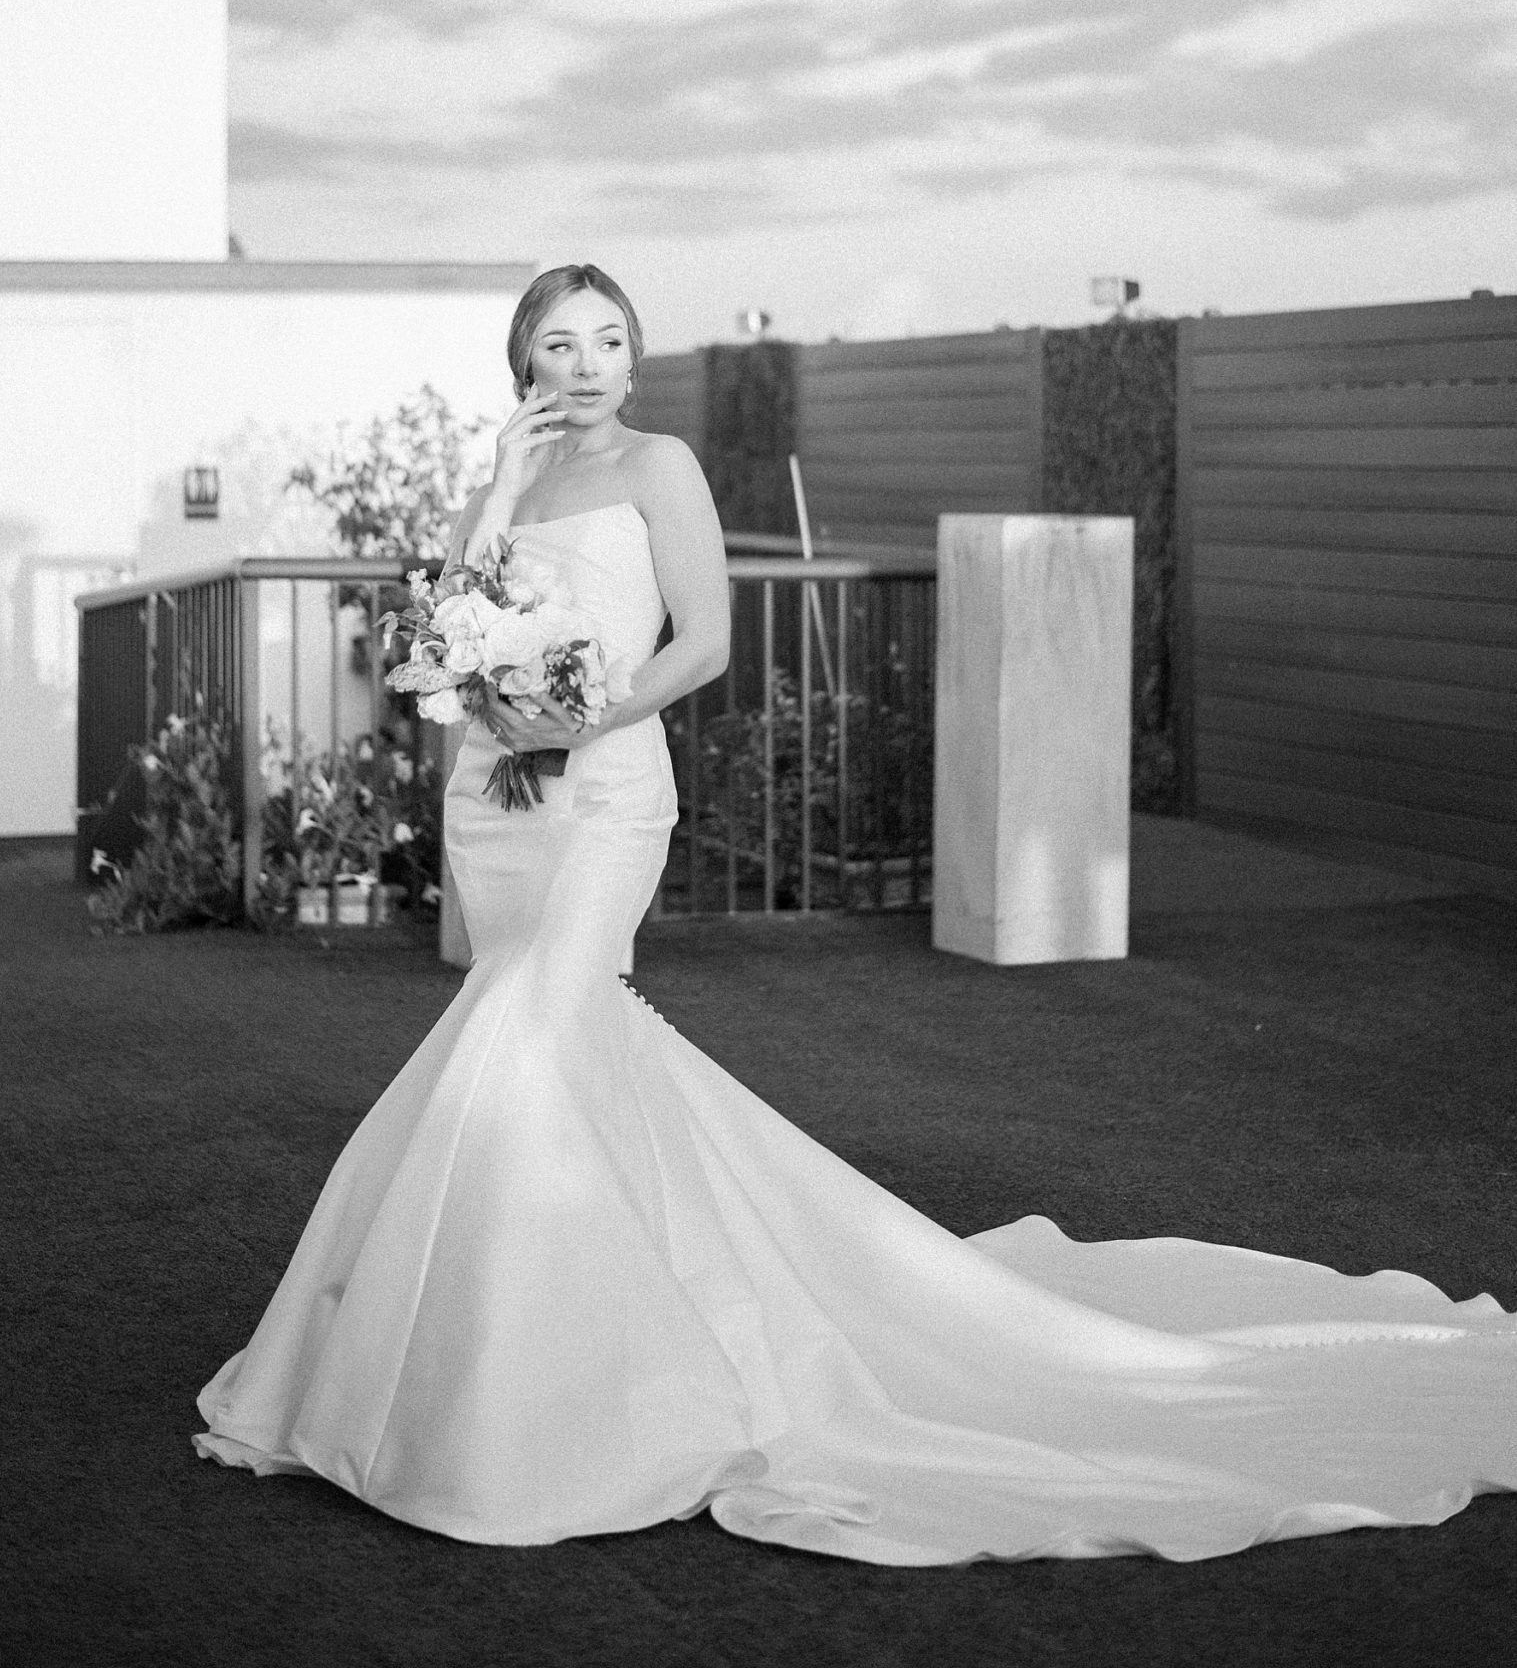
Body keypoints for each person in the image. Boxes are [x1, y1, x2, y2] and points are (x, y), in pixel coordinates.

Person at [195, 264, 1517, 1564]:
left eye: (609, 339)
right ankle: (540, 1352)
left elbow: (701, 642)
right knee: (546, 1044)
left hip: (605, 797)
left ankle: (568, 1402)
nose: (586, 363)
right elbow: (448, 621)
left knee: (535, 1035)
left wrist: (575, 714)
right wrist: (490, 502)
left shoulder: (662, 466)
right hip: (493, 795)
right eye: (559, 343)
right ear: (523, 360)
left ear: (633, 357)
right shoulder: (519, 479)